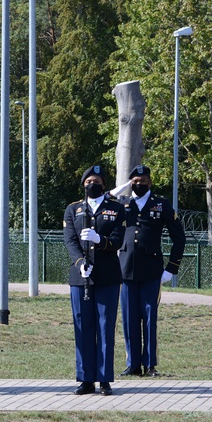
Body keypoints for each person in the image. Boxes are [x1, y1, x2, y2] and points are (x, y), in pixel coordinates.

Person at [117, 164, 186, 378]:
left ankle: (150, 365)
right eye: (135, 182)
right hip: (126, 270)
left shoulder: (161, 204)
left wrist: (171, 269)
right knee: (129, 320)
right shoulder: (123, 204)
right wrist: (119, 190)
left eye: (143, 181)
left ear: (150, 182)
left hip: (151, 271)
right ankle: (133, 364)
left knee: (149, 319)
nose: (139, 184)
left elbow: (179, 237)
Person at [64, 165, 126, 396]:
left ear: (103, 184)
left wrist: (100, 240)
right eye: (89, 180)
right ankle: (85, 378)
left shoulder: (116, 209)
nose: (93, 184)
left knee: (104, 327)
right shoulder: (73, 210)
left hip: (107, 276)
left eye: (97, 181)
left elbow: (118, 240)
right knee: (83, 327)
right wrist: (81, 263)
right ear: (83, 184)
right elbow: (70, 241)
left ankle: (104, 379)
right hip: (80, 277)